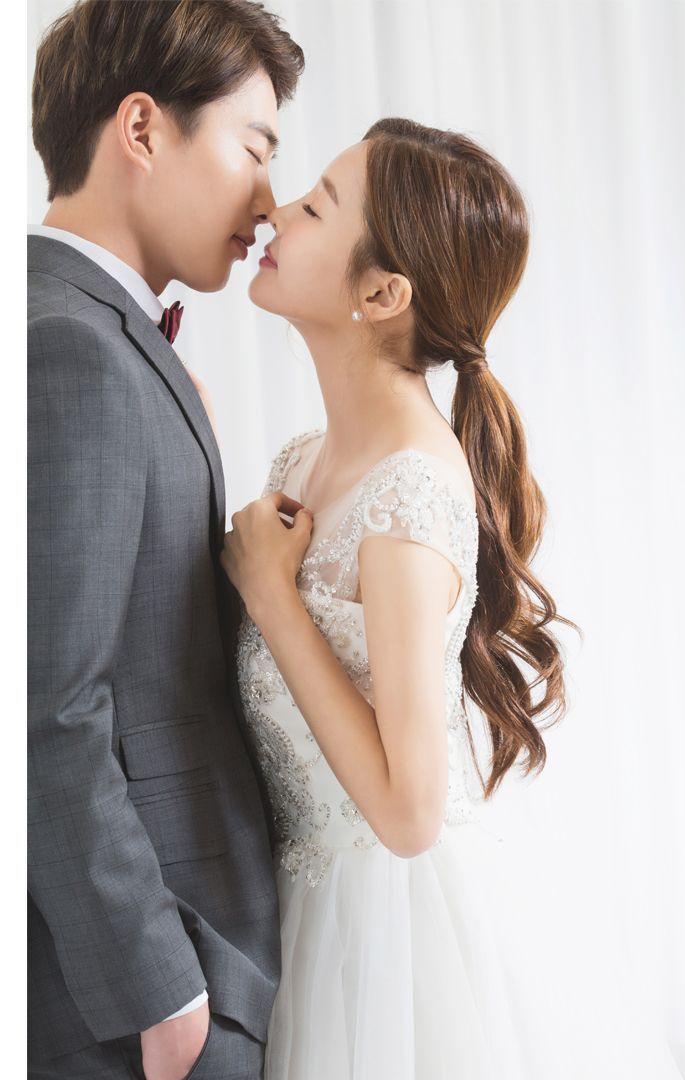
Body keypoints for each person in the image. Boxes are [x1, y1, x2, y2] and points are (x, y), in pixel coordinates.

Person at [222, 117, 685, 1078]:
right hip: (303, 920)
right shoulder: (303, 460)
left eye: (316, 205)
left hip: (387, 952)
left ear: (382, 293)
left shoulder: (412, 494)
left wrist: (273, 598)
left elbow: (408, 814)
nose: (275, 206)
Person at [27, 3, 305, 1077]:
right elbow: (45, 700)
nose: (270, 196)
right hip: (146, 997)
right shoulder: (70, 350)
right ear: (141, 130)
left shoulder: (89, 331)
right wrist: (161, 988)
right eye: (253, 145)